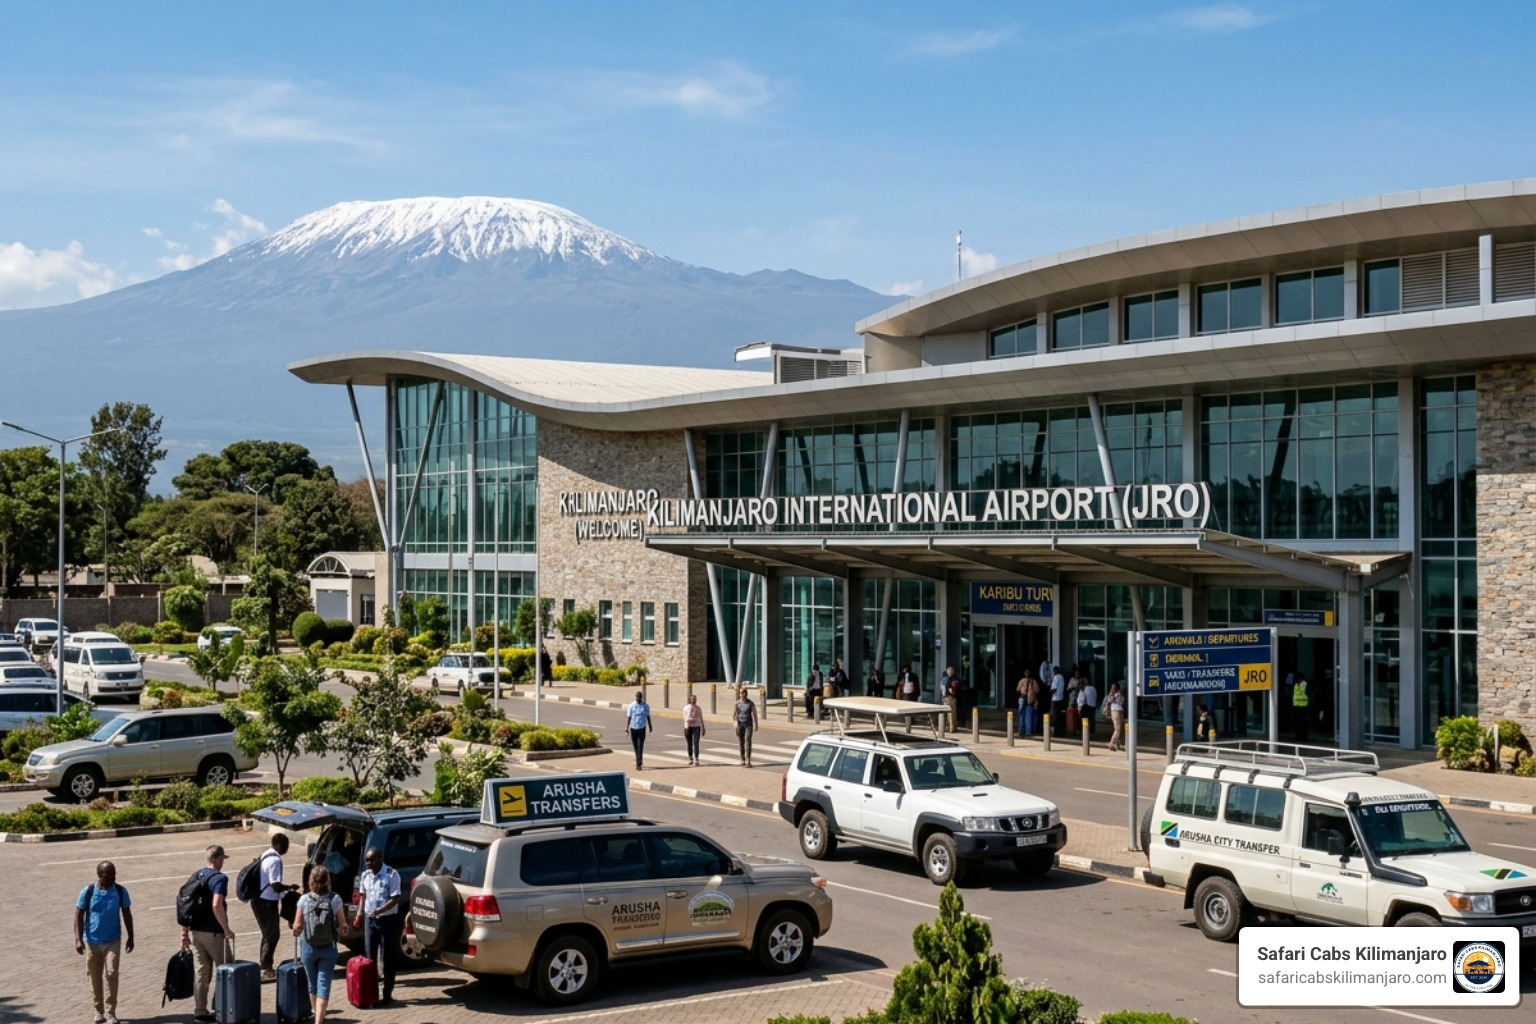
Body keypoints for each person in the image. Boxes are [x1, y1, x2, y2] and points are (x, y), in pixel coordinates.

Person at [75, 859, 133, 1024]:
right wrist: (78, 939)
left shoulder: (120, 891)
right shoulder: (88, 892)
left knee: (112, 973)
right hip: (92, 940)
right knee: (94, 976)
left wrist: (131, 936)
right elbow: (78, 915)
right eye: (108, 875)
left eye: (114, 874)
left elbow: (127, 914)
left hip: (113, 939)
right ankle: (98, 1010)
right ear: (100, 875)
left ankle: (111, 1012)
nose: (112, 878)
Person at [182, 844, 235, 1024]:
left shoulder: (196, 875)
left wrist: (184, 933)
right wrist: (226, 929)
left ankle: (200, 1011)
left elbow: (186, 905)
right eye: (222, 859)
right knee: (225, 970)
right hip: (214, 933)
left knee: (201, 973)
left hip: (196, 932)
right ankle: (222, 1008)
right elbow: (216, 904)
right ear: (218, 859)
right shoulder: (220, 879)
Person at [293, 865, 344, 1024]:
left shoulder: (304, 900)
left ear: (311, 881)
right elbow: (342, 925)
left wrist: (297, 929)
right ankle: (319, 1021)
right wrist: (343, 928)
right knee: (323, 985)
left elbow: (297, 925)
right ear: (327, 881)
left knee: (312, 983)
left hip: (308, 948)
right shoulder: (335, 899)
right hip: (328, 948)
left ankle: (317, 1014)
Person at [355, 846, 402, 1006]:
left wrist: (379, 911)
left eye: (372, 860)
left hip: (387, 921)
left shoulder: (391, 874)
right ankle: (371, 995)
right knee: (370, 960)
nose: (369, 864)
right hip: (370, 922)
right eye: (367, 861)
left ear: (380, 859)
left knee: (388, 958)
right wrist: (359, 914)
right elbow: (363, 896)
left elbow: (394, 899)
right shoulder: (365, 875)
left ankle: (387, 994)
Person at [253, 833, 293, 980]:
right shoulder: (275, 860)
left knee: (268, 934)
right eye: (286, 846)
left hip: (259, 900)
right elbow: (275, 886)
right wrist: (288, 888)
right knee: (272, 935)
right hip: (266, 902)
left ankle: (265, 966)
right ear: (279, 845)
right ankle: (266, 969)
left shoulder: (266, 854)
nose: (287, 849)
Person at [624, 690, 653, 769]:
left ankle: (639, 763)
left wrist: (650, 726)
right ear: (635, 697)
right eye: (637, 697)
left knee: (640, 745)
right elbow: (629, 717)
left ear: (641, 697)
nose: (638, 698)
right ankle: (638, 759)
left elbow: (648, 716)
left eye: (639, 697)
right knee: (635, 745)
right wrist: (627, 728)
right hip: (633, 727)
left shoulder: (645, 706)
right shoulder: (631, 706)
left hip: (642, 728)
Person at [733, 687, 759, 766]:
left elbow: (754, 714)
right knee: (741, 741)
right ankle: (742, 759)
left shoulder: (750, 703)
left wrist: (756, 724)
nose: (742, 695)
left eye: (744, 693)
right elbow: (734, 714)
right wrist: (734, 723)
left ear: (746, 694)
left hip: (748, 724)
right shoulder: (737, 703)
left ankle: (748, 759)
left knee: (748, 741)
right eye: (741, 693)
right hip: (740, 724)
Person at [682, 692, 704, 765]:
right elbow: (685, 718)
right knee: (689, 743)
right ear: (689, 700)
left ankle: (696, 758)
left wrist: (703, 727)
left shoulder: (698, 708)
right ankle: (690, 757)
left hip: (696, 726)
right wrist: (685, 727)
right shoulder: (686, 708)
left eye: (694, 699)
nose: (693, 700)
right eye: (691, 699)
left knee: (696, 743)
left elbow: (701, 717)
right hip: (688, 727)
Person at [1016, 670, 1039, 737]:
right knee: (1027, 716)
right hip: (1028, 699)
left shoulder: (1022, 681)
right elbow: (1036, 690)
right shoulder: (1033, 681)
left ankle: (1023, 730)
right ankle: (1027, 731)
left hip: (1024, 699)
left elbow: (1018, 689)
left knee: (1023, 715)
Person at [1105, 682, 1127, 752]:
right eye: (1112, 688)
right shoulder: (1112, 694)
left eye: (1114, 688)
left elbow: (1123, 701)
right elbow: (1108, 701)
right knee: (1117, 729)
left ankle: (1118, 745)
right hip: (1115, 711)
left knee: (1122, 728)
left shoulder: (1120, 694)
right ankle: (1112, 743)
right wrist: (1113, 695)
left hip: (1120, 711)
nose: (1112, 689)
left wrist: (1120, 694)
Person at [1292, 673, 1310, 742]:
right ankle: (1298, 737)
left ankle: (1304, 738)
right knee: (1297, 723)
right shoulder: (1296, 685)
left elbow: (1308, 693)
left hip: (1303, 707)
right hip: (1296, 707)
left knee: (1303, 723)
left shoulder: (1305, 685)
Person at [941, 666, 959, 734]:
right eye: (948, 671)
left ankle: (952, 728)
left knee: (951, 713)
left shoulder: (954, 679)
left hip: (951, 697)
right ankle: (949, 727)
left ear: (953, 671)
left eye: (951, 671)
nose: (950, 672)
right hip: (944, 697)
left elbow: (955, 688)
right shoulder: (944, 679)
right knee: (947, 714)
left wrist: (951, 689)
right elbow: (942, 688)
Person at [1049, 665, 1066, 736]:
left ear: (1055, 671)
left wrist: (1050, 692)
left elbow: (1054, 688)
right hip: (1061, 698)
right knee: (1060, 715)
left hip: (1055, 699)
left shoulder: (1056, 677)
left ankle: (1055, 731)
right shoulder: (1062, 677)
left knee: (1054, 715)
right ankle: (1060, 731)